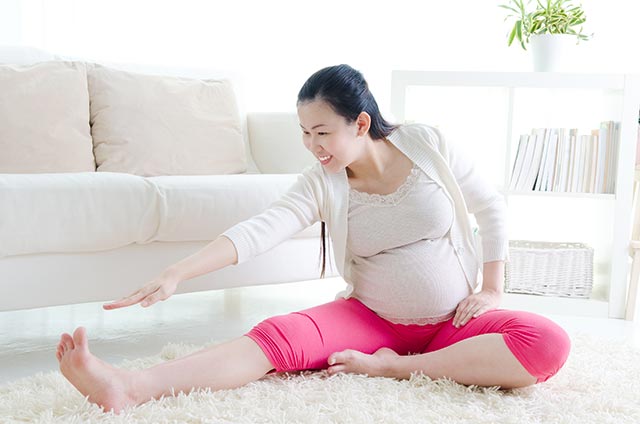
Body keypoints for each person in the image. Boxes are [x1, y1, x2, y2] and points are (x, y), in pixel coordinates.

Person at [55, 64, 571, 413]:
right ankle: (130, 387)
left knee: (547, 342)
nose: (312, 145)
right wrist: (175, 273)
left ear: (360, 122)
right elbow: (261, 231)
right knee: (276, 337)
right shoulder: (320, 182)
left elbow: (490, 206)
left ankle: (399, 370)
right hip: (370, 321)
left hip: (456, 321)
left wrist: (492, 288)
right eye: (304, 132)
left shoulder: (427, 144)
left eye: (322, 132)